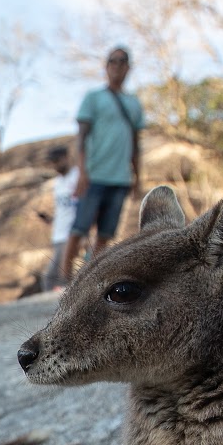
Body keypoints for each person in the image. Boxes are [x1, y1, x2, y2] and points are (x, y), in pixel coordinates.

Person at [62, 46, 145, 279]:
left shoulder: (134, 104)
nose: (117, 66)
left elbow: (136, 144)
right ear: (106, 66)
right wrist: (82, 172)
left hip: (120, 178)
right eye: (112, 61)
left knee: (106, 233)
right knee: (79, 228)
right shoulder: (93, 98)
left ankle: (91, 279)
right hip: (94, 174)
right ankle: (63, 280)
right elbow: (82, 137)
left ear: (128, 67)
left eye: (122, 61)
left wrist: (137, 178)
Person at [34, 145, 79, 292]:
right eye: (52, 162)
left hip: (71, 233)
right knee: (60, 276)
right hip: (58, 234)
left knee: (53, 277)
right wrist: (50, 220)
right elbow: (63, 208)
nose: (54, 165)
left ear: (66, 157)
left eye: (57, 161)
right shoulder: (58, 182)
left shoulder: (78, 176)